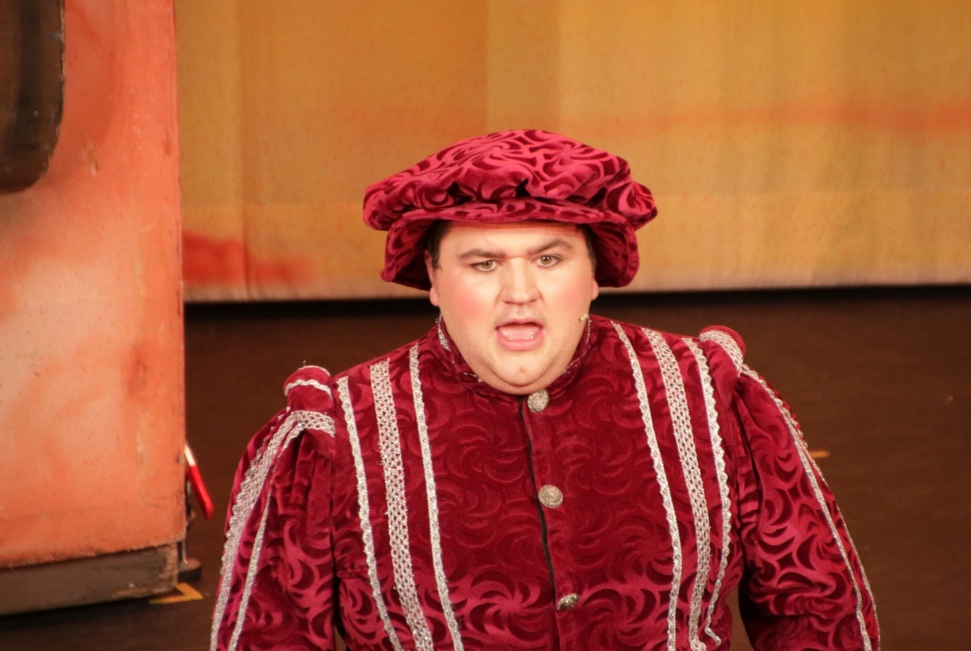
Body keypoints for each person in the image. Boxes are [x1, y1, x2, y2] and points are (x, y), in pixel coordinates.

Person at [211, 129, 880, 650]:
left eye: (549, 258)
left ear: (594, 274)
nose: (519, 292)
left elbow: (818, 612)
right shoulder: (335, 438)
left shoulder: (710, 396)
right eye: (483, 263)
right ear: (433, 280)